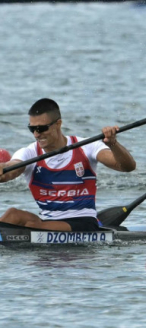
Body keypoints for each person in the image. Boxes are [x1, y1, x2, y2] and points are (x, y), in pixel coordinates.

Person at [0, 98, 136, 231]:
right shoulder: (29, 153)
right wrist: (3, 169)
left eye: (41, 128)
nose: (37, 134)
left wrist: (112, 144)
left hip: (83, 223)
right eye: (32, 129)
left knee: (32, 226)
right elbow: (11, 169)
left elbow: (127, 166)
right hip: (47, 222)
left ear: (58, 124)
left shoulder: (87, 146)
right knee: (13, 215)